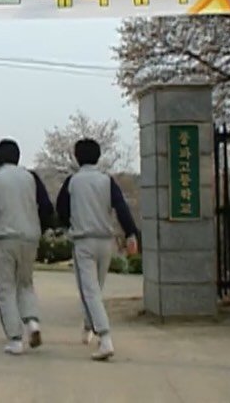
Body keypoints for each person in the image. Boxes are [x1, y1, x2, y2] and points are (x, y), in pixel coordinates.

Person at [56, 138, 139, 361]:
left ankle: (105, 337)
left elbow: (60, 209)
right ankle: (87, 326)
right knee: (95, 290)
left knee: (89, 291)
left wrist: (67, 225)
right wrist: (131, 234)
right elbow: (121, 208)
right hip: (105, 242)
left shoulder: (72, 182)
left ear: (76, 157)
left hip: (83, 241)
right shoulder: (106, 181)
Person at [0, 139, 54, 355]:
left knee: (5, 288)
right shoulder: (31, 178)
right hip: (30, 236)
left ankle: (15, 338)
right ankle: (32, 322)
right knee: (25, 283)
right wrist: (40, 228)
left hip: (5, 237)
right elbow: (46, 207)